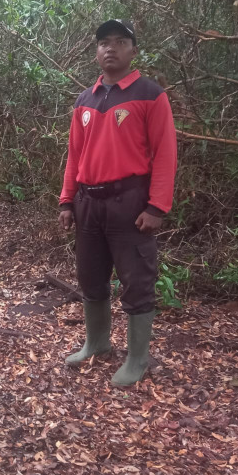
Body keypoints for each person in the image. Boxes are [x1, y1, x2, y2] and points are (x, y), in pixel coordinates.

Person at [58, 19, 177, 386]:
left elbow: (166, 153)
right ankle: (97, 344)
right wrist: (66, 201)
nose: (110, 48)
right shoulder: (85, 100)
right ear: (96, 52)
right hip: (88, 204)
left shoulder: (149, 94)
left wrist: (157, 207)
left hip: (130, 203)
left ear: (133, 50)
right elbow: (74, 155)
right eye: (103, 43)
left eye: (120, 42)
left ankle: (137, 359)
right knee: (91, 277)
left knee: (136, 280)